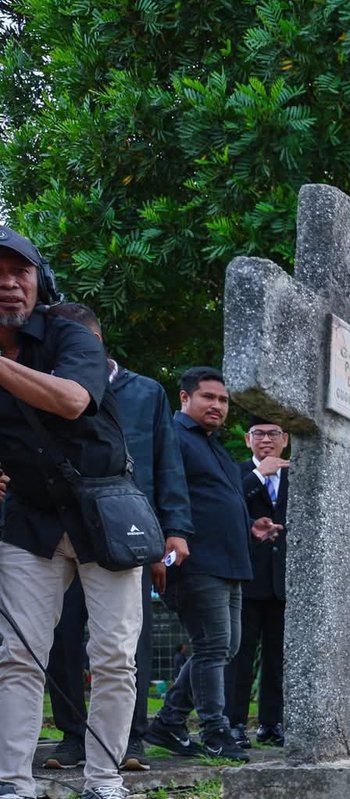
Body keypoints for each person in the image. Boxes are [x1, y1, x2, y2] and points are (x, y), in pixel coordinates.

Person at [0, 226, 145, 799]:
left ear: (39, 281)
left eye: (19, 271)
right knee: (15, 656)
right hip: (29, 518)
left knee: (114, 655)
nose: (7, 283)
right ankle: (12, 789)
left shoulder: (67, 332)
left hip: (103, 513)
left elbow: (72, 401)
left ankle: (105, 785)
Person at [41, 303, 192, 774]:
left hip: (126, 529)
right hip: (57, 527)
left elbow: (167, 462)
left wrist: (175, 532)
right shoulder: (42, 385)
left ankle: (130, 739)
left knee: (128, 640)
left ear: (94, 342)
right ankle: (72, 736)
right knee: (63, 635)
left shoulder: (146, 392)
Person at [144, 367, 281, 763]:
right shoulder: (172, 437)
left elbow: (218, 499)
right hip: (197, 561)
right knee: (213, 646)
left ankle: (169, 721)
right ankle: (215, 730)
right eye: (208, 397)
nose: (217, 406)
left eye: (222, 400)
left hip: (232, 560)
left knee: (225, 646)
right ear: (184, 398)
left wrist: (249, 526)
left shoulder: (213, 444)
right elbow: (164, 493)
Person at [224, 416, 289, 748]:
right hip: (246, 577)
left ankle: (272, 722)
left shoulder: (297, 478)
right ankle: (234, 722)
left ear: (285, 439)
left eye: (273, 433)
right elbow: (228, 509)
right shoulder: (237, 474)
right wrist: (258, 476)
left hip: (283, 582)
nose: (267, 439)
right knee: (240, 654)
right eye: (259, 434)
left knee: (278, 657)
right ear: (248, 440)